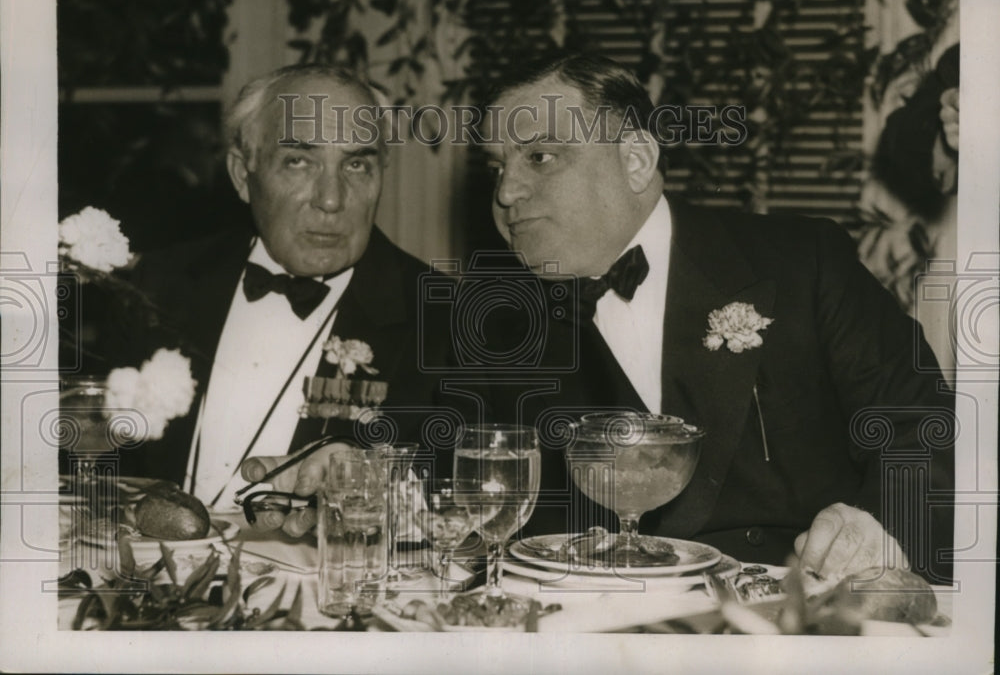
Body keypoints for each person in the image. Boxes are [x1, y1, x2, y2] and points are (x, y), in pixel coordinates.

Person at [477, 52, 955, 584]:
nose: (506, 192)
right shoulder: (499, 326)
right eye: (497, 166)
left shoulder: (801, 262)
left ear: (635, 159)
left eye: (539, 157)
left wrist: (877, 525)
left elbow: (927, 429)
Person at [109, 64, 468, 534]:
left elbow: (466, 500)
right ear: (243, 174)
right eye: (299, 161)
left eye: (357, 164)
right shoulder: (158, 283)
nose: (332, 200)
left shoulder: (445, 317)